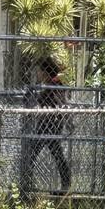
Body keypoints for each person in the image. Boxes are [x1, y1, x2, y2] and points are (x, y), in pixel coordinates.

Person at [22, 55, 71, 196]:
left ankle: (27, 182)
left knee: (35, 153)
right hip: (46, 125)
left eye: (39, 71)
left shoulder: (54, 86)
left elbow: (57, 103)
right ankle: (28, 182)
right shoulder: (52, 85)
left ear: (45, 72)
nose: (38, 74)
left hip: (50, 125)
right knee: (39, 153)